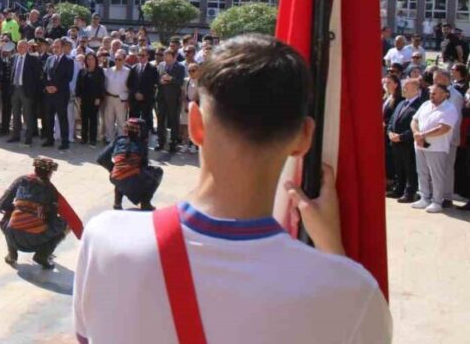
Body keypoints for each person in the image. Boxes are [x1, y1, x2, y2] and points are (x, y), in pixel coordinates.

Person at [73, 34, 392, 344]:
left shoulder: (104, 239)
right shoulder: (351, 293)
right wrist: (334, 254)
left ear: (196, 125)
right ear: (304, 137)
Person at [0, 157, 69, 270]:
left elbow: (1, 205)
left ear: (35, 169)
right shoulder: (51, 190)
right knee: (65, 224)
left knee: (10, 218)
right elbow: (51, 219)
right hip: (34, 241)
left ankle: (12, 254)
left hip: (12, 235)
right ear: (50, 173)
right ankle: (42, 255)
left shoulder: (21, 180)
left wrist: (19, 209)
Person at [410, 83, 458, 213]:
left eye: (435, 93)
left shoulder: (449, 108)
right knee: (422, 172)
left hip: (437, 148)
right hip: (420, 145)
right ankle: (424, 197)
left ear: (445, 94)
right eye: (431, 93)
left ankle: (437, 201)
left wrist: (422, 135)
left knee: (436, 175)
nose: (431, 95)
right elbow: (414, 120)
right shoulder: (425, 104)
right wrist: (416, 134)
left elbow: (444, 128)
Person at [98, 118, 162, 210]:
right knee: (158, 172)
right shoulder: (141, 144)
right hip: (131, 178)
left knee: (119, 174)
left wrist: (113, 168)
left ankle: (117, 204)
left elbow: (101, 158)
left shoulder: (118, 140)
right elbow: (143, 166)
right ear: (139, 131)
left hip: (115, 177)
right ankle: (145, 202)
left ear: (125, 129)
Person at [388, 76, 424, 203]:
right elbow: (392, 120)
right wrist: (390, 132)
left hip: (407, 143)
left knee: (409, 169)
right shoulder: (402, 103)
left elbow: (418, 125)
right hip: (395, 141)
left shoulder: (420, 105)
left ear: (415, 89)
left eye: (406, 87)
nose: (403, 89)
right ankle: (399, 189)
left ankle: (409, 193)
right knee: (399, 167)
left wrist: (401, 137)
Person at [7, 39, 43, 144]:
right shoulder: (13, 58)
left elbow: (37, 76)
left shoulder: (33, 59)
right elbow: (10, 73)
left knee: (27, 115)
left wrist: (33, 91)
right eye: (19, 46)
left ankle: (28, 137)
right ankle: (16, 135)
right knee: (15, 114)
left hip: (26, 90)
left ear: (27, 48)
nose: (20, 48)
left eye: (22, 46)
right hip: (15, 89)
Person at [41, 39, 74, 149]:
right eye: (54, 46)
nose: (55, 49)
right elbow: (44, 74)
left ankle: (65, 142)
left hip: (61, 94)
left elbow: (68, 77)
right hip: (49, 94)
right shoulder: (49, 59)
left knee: (62, 118)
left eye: (58, 46)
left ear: (63, 47)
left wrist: (56, 87)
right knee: (48, 117)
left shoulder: (69, 60)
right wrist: (47, 86)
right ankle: (50, 139)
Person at [155, 48, 186, 152]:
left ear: (174, 57)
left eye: (168, 57)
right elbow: (156, 79)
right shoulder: (160, 65)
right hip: (161, 97)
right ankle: (161, 142)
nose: (166, 59)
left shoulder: (180, 67)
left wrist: (171, 79)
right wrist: (160, 81)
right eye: (165, 57)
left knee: (173, 121)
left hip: (173, 98)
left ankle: (173, 142)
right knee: (160, 120)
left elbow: (181, 82)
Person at [101, 49, 130, 144]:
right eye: (116, 59)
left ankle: (121, 140)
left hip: (121, 99)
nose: (117, 61)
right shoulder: (109, 70)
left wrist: (128, 100)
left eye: (120, 59)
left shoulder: (128, 72)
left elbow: (130, 87)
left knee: (121, 121)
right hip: (109, 98)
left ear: (124, 60)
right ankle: (110, 139)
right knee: (109, 119)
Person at [75, 52, 104, 145]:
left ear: (95, 60)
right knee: (84, 119)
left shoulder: (99, 71)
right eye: (88, 59)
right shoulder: (82, 71)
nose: (90, 61)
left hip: (95, 99)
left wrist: (99, 98)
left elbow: (101, 86)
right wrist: (78, 96)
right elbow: (78, 85)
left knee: (93, 120)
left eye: (92, 59)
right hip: (84, 99)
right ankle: (84, 138)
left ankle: (92, 139)